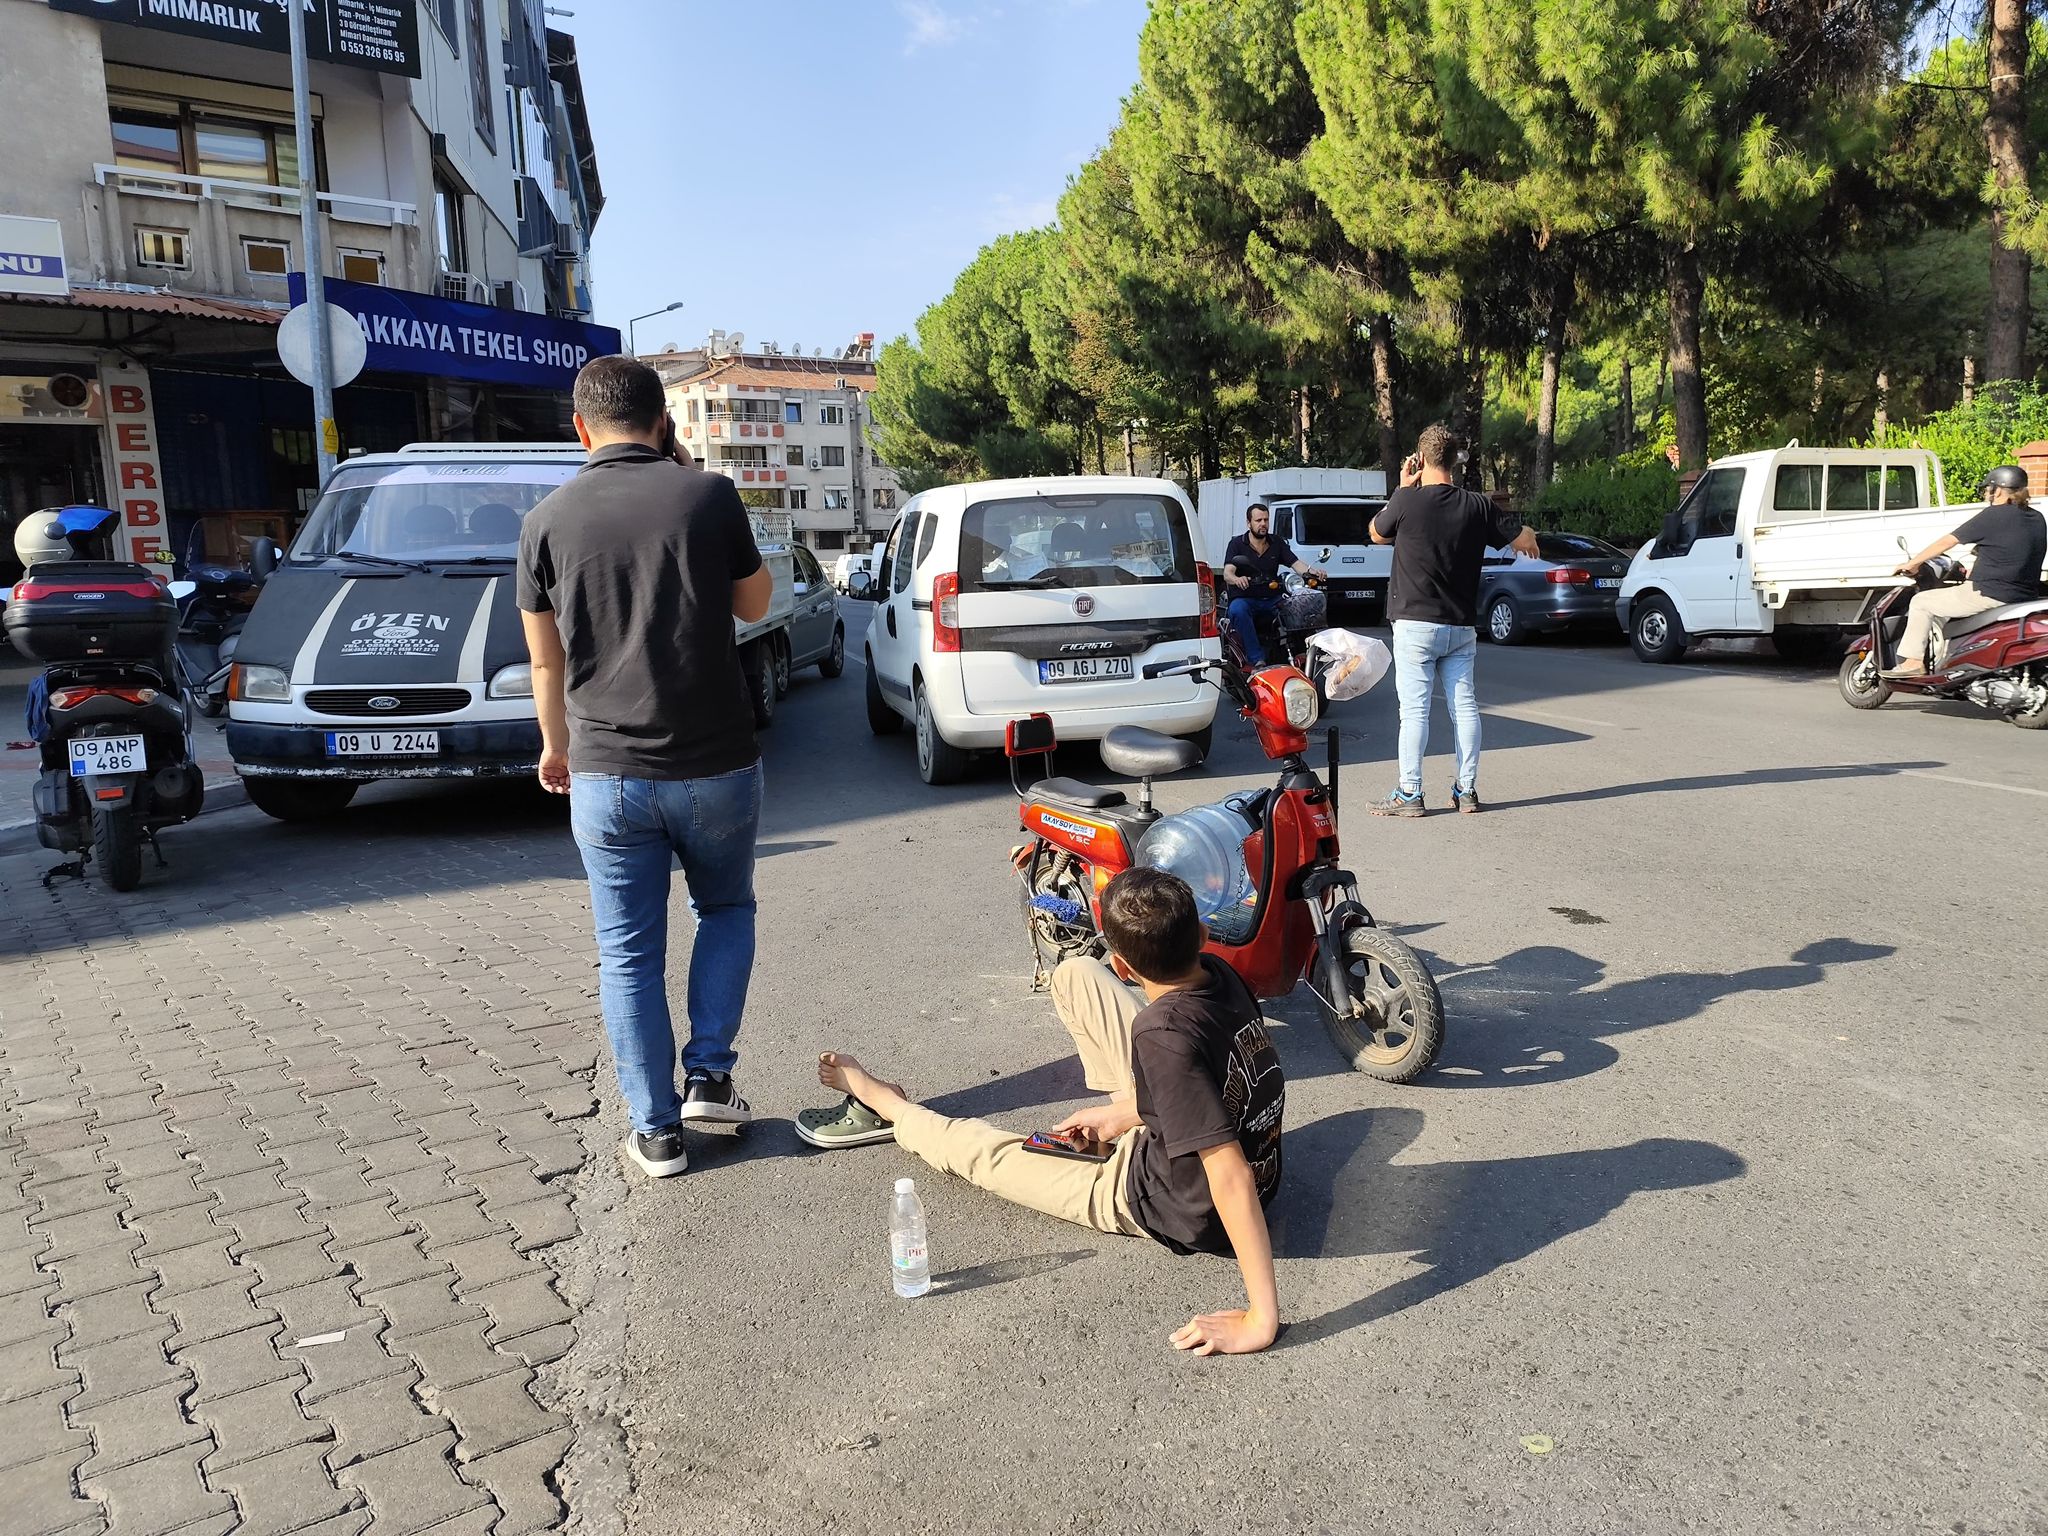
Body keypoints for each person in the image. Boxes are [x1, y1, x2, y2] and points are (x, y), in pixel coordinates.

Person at [797, 868, 1286, 1356]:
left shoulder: (1163, 1036)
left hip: (1171, 1202)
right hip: (1224, 1146)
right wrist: (1125, 1113)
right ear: (1201, 935)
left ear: (1123, 966)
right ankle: (1127, 1112)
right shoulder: (1221, 974)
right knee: (1074, 973)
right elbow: (1220, 1074)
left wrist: (1261, 1319)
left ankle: (888, 1104)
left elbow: (1230, 1175)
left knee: (985, 1155)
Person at [518, 355, 773, 1180]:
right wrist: (692, 481)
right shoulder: (708, 496)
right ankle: (709, 1073)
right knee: (725, 906)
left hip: (607, 771)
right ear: (665, 423)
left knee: (627, 953)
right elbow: (757, 603)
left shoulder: (546, 520)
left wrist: (554, 745)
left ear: (580, 428)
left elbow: (546, 663)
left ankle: (657, 1132)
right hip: (717, 766)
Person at [1368, 424, 1540, 817]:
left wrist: (1401, 486)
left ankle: (1410, 793)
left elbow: (1377, 533)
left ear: (1421, 459)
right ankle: (1467, 790)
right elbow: (1522, 537)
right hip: (1460, 626)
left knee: (1414, 712)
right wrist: (1528, 536)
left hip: (1414, 624)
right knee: (1465, 708)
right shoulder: (1478, 506)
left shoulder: (1406, 501)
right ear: (1455, 462)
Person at [1884, 464, 2047, 677]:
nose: (1988, 493)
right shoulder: (2036, 518)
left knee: (1921, 603)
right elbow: (2011, 550)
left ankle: (1913, 662)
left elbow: (1947, 542)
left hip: (1989, 594)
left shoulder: (1993, 515)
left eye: (1989, 488)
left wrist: (1913, 563)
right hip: (2023, 596)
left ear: (1997, 490)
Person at [1222, 503, 1324, 664]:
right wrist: (1237, 579)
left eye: (1266, 520)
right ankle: (1256, 659)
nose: (1263, 524)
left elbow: (1296, 564)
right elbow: (1228, 573)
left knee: (1301, 604)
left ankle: (1304, 652)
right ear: (1249, 523)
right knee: (1238, 610)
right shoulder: (1237, 544)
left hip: (1272, 598)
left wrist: (1313, 571)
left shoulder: (1276, 542)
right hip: (1246, 598)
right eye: (1258, 520)